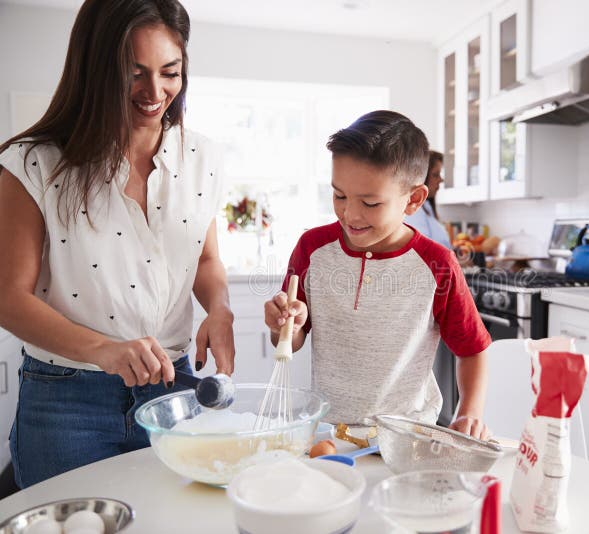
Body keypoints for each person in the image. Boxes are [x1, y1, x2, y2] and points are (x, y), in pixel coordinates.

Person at [0, 0, 234, 488]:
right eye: (134, 74)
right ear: (95, 69)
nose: (155, 92)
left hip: (175, 389)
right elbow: (8, 298)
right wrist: (104, 350)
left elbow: (206, 258)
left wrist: (220, 308)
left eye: (170, 71)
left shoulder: (203, 156)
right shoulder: (36, 163)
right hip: (67, 402)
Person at [264, 110, 491, 439]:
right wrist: (284, 326)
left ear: (413, 199)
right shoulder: (312, 248)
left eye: (370, 203)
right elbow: (290, 341)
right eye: (339, 195)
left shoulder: (437, 263)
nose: (350, 214)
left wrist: (469, 412)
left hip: (408, 437)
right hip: (328, 433)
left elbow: (472, 348)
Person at [404, 150, 451, 249]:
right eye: (435, 175)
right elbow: (421, 251)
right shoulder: (414, 211)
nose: (441, 180)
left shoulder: (427, 208)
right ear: (422, 178)